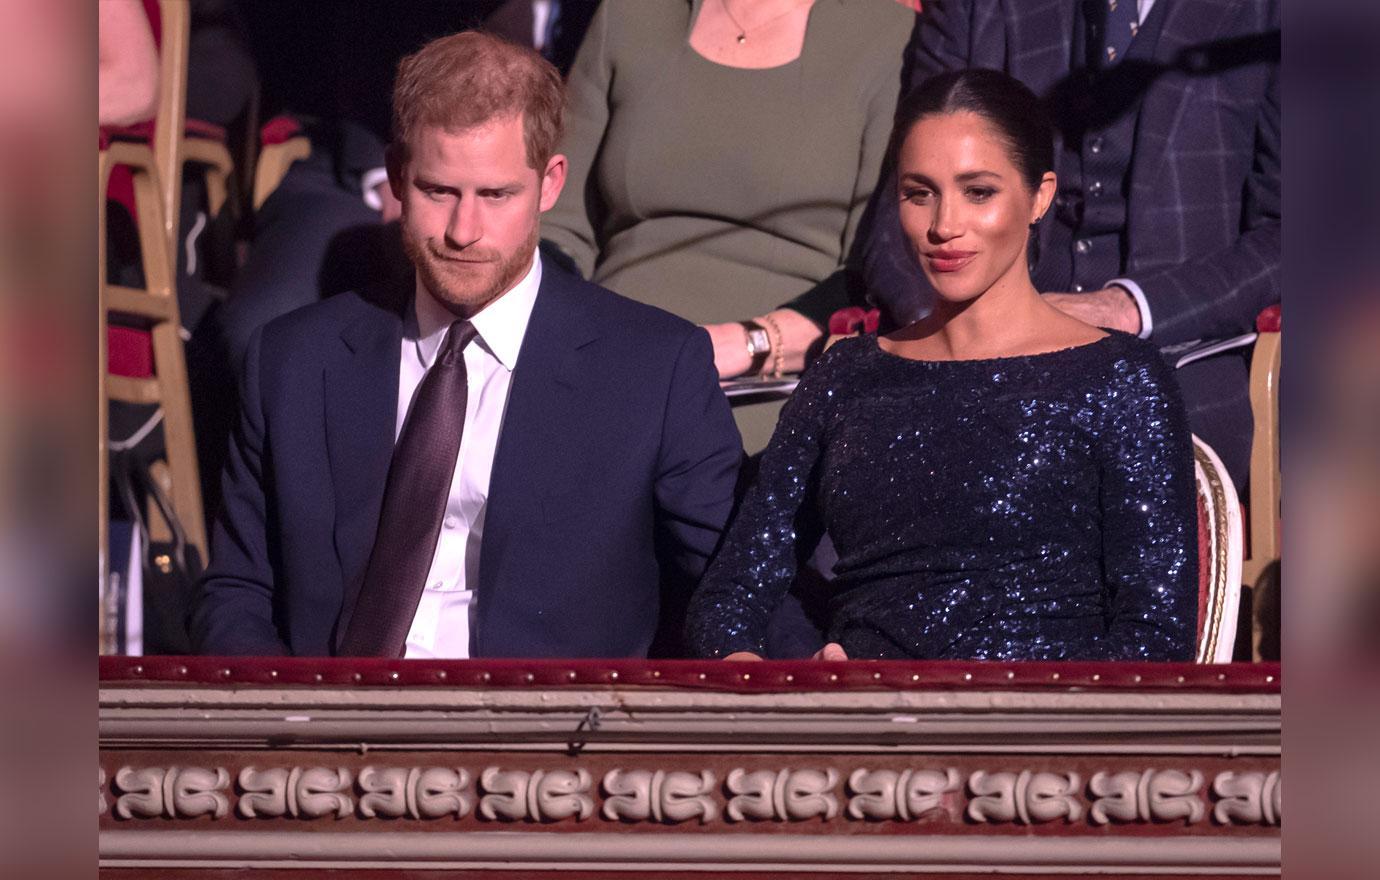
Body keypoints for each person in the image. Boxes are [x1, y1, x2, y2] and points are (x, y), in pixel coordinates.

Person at [191, 31, 743, 658]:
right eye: (438, 191)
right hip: (327, 735)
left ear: (551, 182)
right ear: (399, 177)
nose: (463, 231)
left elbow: (734, 590)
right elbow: (236, 592)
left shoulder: (654, 369)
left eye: (496, 195)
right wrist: (289, 727)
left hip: (548, 740)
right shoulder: (292, 361)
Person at [687, 69, 1197, 662]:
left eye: (979, 192)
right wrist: (775, 678)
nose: (943, 226)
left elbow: (1155, 638)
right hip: (861, 733)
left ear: (1040, 196)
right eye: (918, 193)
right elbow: (729, 596)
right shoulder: (847, 375)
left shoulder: (1121, 379)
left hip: (1049, 737)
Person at [849, 0, 1280, 490]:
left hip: (1174, 366)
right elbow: (898, 216)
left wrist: (1126, 308)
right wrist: (961, 339)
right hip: (970, 359)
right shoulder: (974, 9)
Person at [541, 0, 916, 451]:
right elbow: (557, 224)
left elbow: (875, 268)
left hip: (775, 384)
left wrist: (745, 345)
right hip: (608, 358)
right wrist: (568, 339)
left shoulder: (888, 35)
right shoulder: (628, 15)